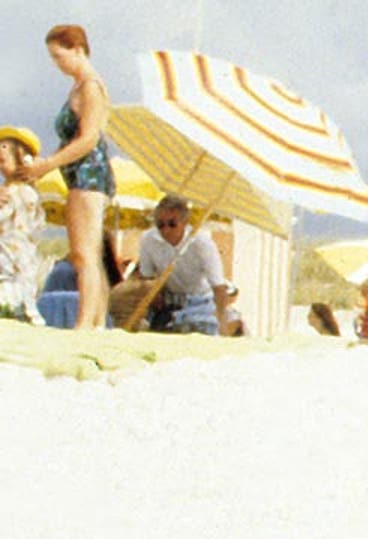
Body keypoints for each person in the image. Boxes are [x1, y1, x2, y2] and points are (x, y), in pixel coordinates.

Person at [16, 26, 112, 330]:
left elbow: (87, 139)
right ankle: (94, 322)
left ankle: (86, 324)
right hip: (79, 175)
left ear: (78, 49)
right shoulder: (79, 86)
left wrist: (48, 165)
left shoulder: (90, 87)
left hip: (89, 175)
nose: (57, 64)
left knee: (84, 254)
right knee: (88, 254)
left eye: (60, 56)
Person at [114, 194, 235, 334]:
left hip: (201, 303)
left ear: (184, 222)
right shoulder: (148, 239)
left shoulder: (202, 243)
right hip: (169, 304)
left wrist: (223, 325)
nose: (166, 230)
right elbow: (146, 278)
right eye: (161, 225)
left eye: (172, 224)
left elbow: (218, 287)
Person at [0, 126, 46, 322]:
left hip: (10, 260)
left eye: (3, 160)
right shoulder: (27, 192)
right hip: (19, 260)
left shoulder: (15, 192)